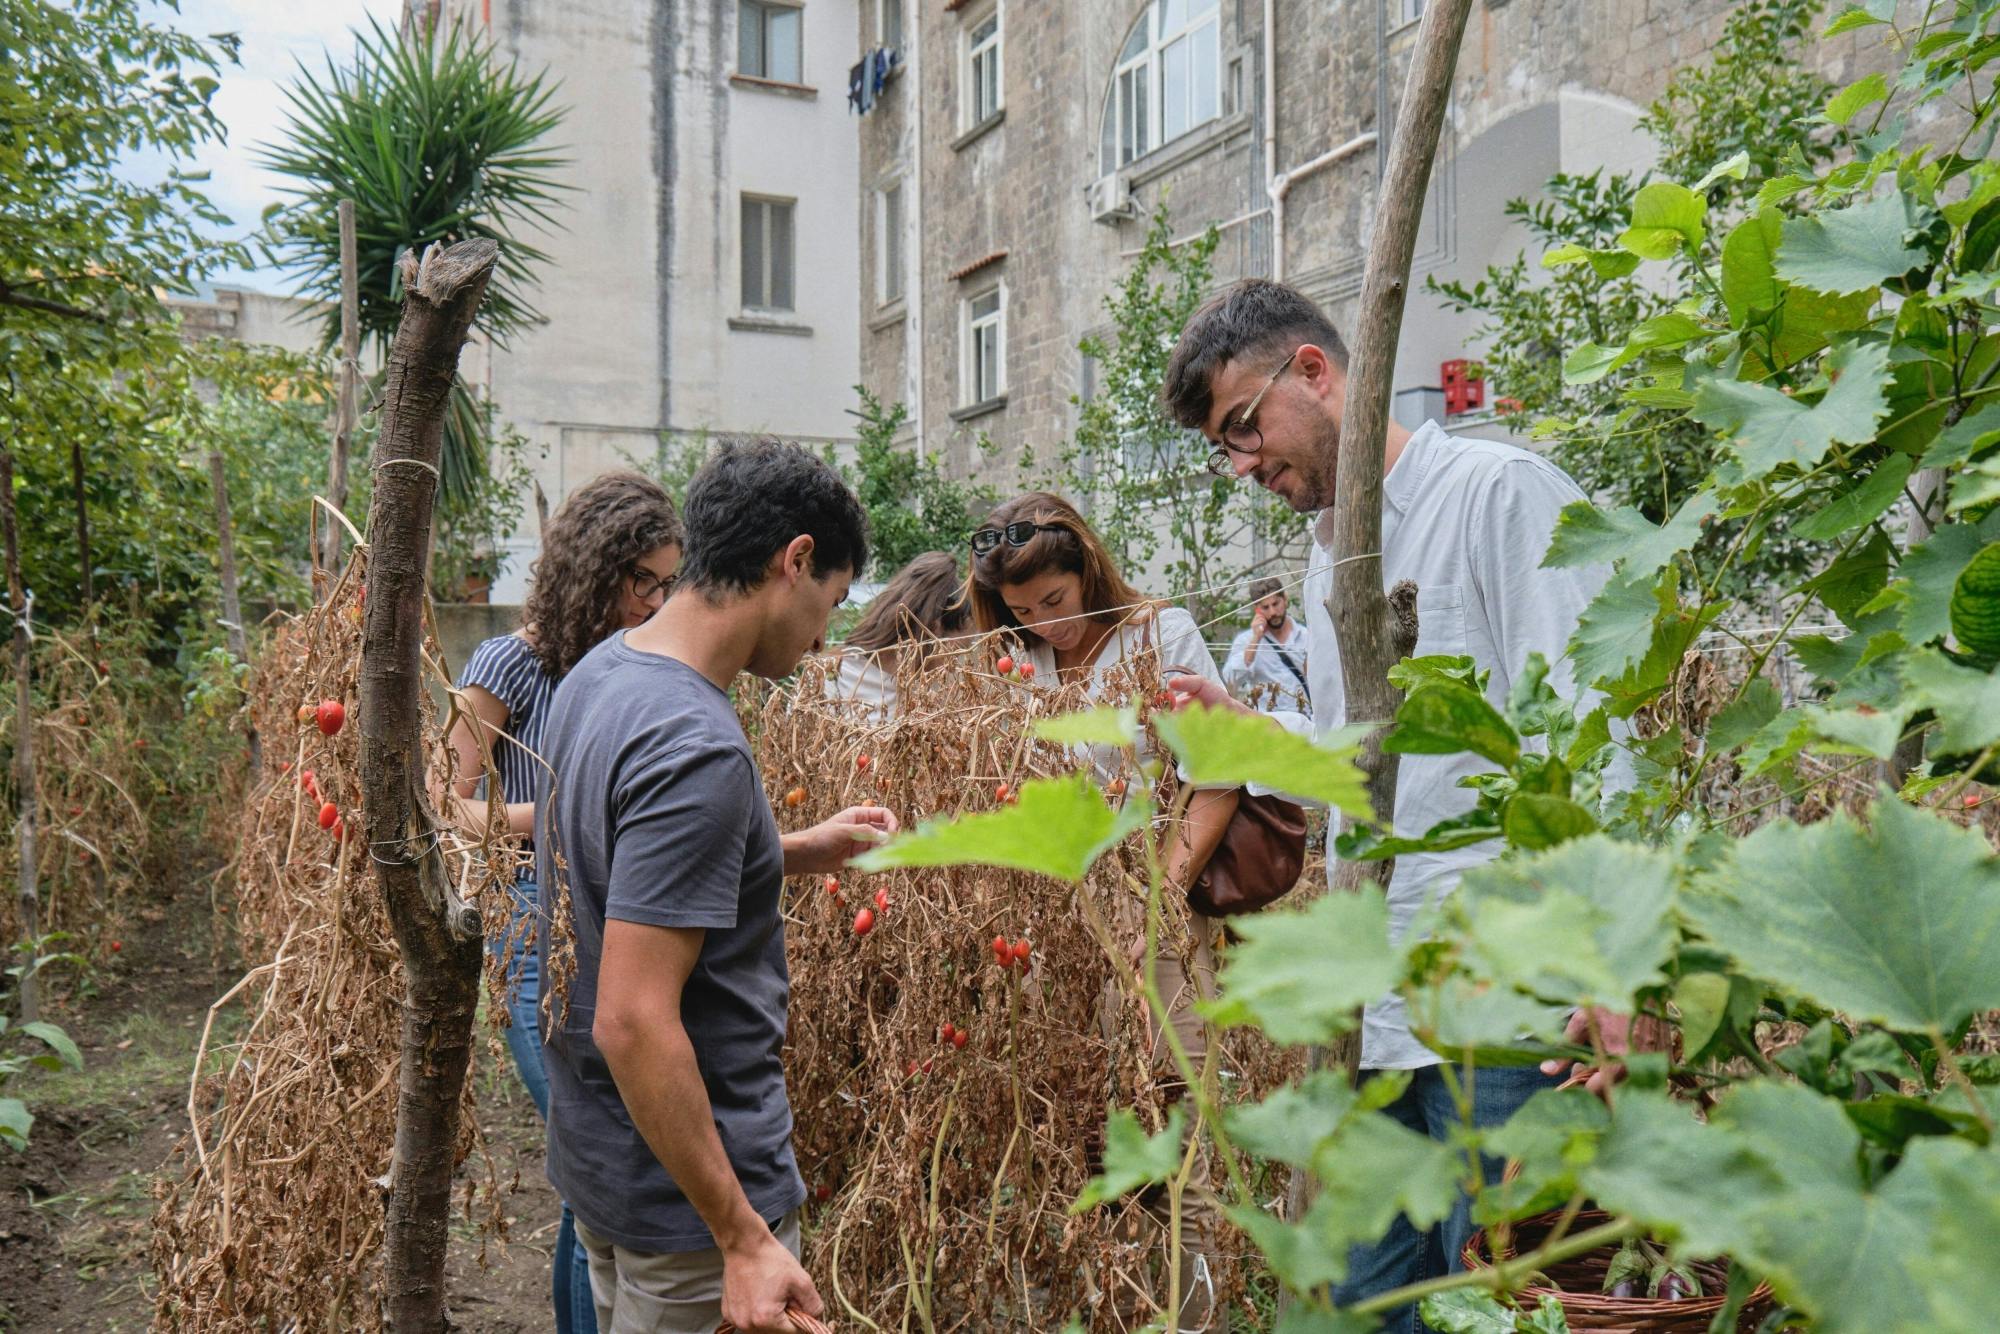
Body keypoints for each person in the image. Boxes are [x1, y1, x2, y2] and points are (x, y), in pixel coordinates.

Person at [1161, 279, 1615, 1333]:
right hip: (1387, 1013)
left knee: (1502, 1300)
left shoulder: (1497, 493)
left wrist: (1616, 969)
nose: (1243, 465)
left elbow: (1594, 734)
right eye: (1223, 448)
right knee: (1372, 1306)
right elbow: (1375, 771)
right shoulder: (1335, 554)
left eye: (1243, 427)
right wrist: (1252, 732)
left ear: (1313, 372)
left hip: (1513, 1010)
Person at [536, 440, 899, 1334]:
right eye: (832, 604)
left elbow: (625, 867)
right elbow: (634, 1015)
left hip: (609, 1166)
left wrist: (792, 850)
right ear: (796, 560)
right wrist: (742, 1238)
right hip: (695, 1207)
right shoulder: (695, 742)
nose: (823, 641)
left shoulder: (607, 673)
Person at [965, 490, 1236, 1333]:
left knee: (1179, 1141)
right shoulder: (1017, 666)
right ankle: (1124, 1311)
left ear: (1087, 567)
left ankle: (1193, 1321)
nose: (1047, 625)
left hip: (1158, 918)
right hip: (1058, 931)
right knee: (1096, 1146)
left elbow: (1217, 778)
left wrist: (1154, 898)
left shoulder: (1162, 637)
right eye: (1023, 612)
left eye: (1056, 601)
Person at [447, 470, 684, 1334]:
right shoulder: (512, 661)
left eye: (668, 582)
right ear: (595, 568)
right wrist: (551, 812)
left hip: (613, 937)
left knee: (594, 1191)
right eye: (641, 581)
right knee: (603, 1180)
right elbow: (442, 800)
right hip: (529, 948)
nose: (655, 600)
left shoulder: (646, 664)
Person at [827, 549, 970, 721]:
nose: (957, 664)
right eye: (961, 649)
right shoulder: (836, 676)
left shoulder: (936, 696)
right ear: (934, 631)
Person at [1223, 576, 1311, 713]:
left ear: (1285, 600)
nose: (1273, 612)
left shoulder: (1306, 636)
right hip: (1268, 723)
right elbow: (1231, 678)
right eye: (1265, 607)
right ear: (1256, 610)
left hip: (1305, 720)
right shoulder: (1246, 641)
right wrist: (1256, 638)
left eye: (1276, 604)